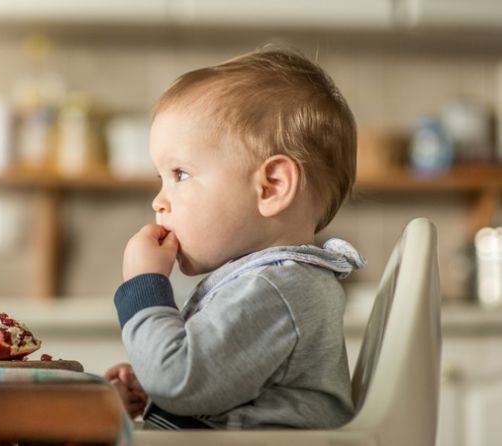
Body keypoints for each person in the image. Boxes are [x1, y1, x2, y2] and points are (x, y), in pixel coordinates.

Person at [105, 47, 366, 430]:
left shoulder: (278, 288)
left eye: (180, 174)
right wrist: (151, 386)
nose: (158, 201)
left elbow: (181, 380)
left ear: (271, 187)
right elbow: (209, 384)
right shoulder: (266, 282)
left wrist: (145, 286)